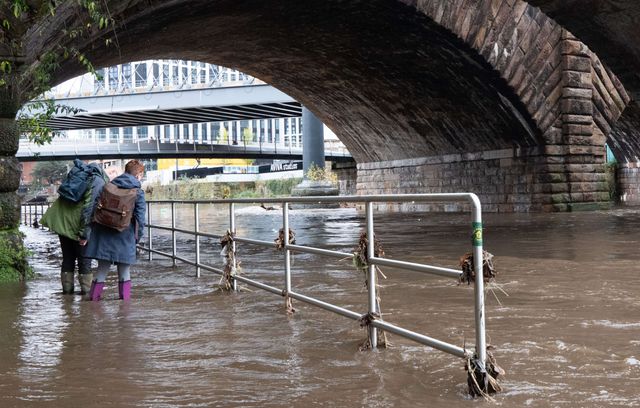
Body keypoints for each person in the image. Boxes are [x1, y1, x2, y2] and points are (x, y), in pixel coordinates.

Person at [40, 162, 109, 295]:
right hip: (76, 223)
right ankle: (87, 299)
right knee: (84, 260)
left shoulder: (77, 174)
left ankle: (67, 297)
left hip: (61, 219)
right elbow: (89, 209)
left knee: (68, 258)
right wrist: (84, 234)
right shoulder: (98, 181)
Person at [84, 160, 146, 301]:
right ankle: (124, 307)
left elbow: (93, 209)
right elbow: (140, 220)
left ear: (126, 170)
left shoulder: (107, 187)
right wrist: (137, 237)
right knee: (124, 271)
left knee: (101, 270)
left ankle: (93, 303)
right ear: (139, 174)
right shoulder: (138, 192)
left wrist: (89, 231)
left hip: (103, 233)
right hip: (125, 235)